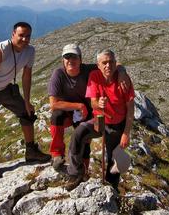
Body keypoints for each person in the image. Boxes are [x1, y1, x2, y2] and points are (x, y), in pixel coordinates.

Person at [0, 22, 51, 180]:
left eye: (28, 36)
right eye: (21, 35)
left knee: (27, 113)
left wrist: (27, 101)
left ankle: (31, 151)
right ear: (13, 34)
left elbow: (26, 76)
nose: (24, 39)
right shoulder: (1, 50)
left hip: (5, 87)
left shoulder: (30, 51)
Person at [48, 44, 130, 174]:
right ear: (62, 60)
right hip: (68, 111)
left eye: (74, 57)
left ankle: (83, 171)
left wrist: (122, 72)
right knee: (57, 116)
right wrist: (78, 106)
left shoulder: (89, 69)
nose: (70, 60)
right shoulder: (58, 74)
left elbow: (113, 63)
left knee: (83, 139)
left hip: (87, 111)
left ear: (80, 59)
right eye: (67, 57)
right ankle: (57, 153)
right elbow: (53, 104)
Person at [65, 49, 135, 191]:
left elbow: (130, 109)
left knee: (112, 159)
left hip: (117, 125)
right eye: (104, 63)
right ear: (98, 65)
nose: (108, 65)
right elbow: (92, 102)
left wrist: (126, 133)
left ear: (116, 63)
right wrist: (99, 104)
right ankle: (76, 173)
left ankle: (111, 189)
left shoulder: (123, 80)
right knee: (78, 134)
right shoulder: (94, 76)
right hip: (99, 119)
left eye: (111, 62)